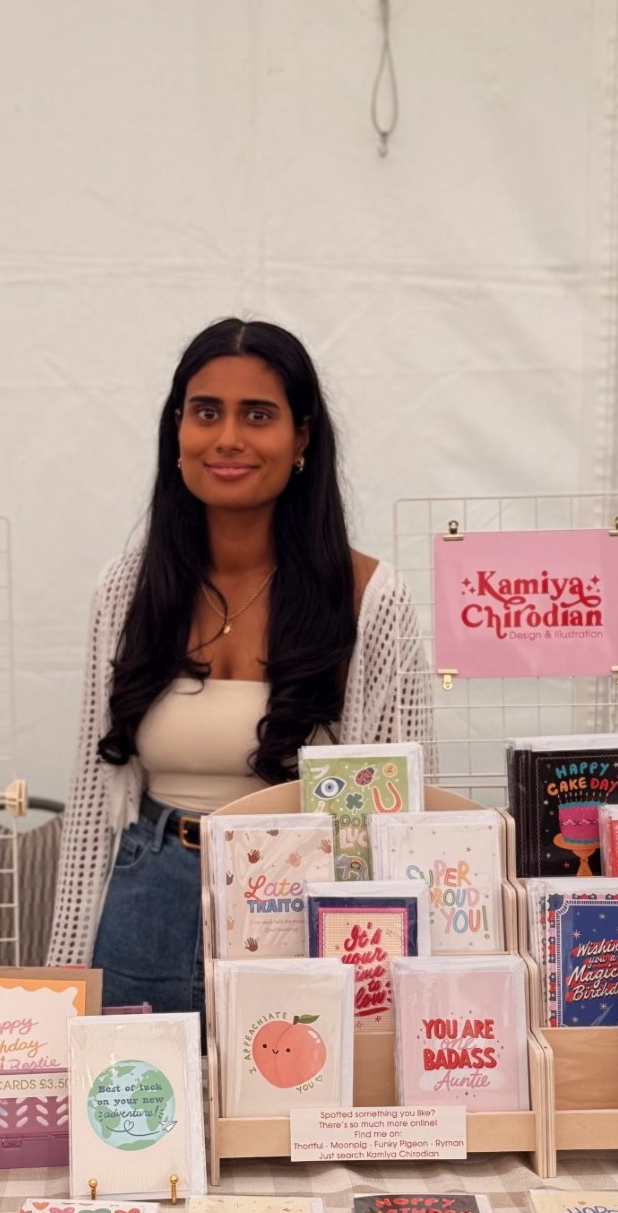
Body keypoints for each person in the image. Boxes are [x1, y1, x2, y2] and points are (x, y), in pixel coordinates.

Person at [46, 317, 434, 1010]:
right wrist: (61, 985)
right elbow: (90, 804)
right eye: (205, 413)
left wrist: (395, 989)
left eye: (258, 415)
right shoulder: (124, 591)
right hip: (144, 904)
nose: (227, 438)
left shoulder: (371, 599)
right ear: (177, 431)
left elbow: (403, 823)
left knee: (284, 1116)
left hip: (302, 915)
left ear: (302, 438)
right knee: (141, 1116)